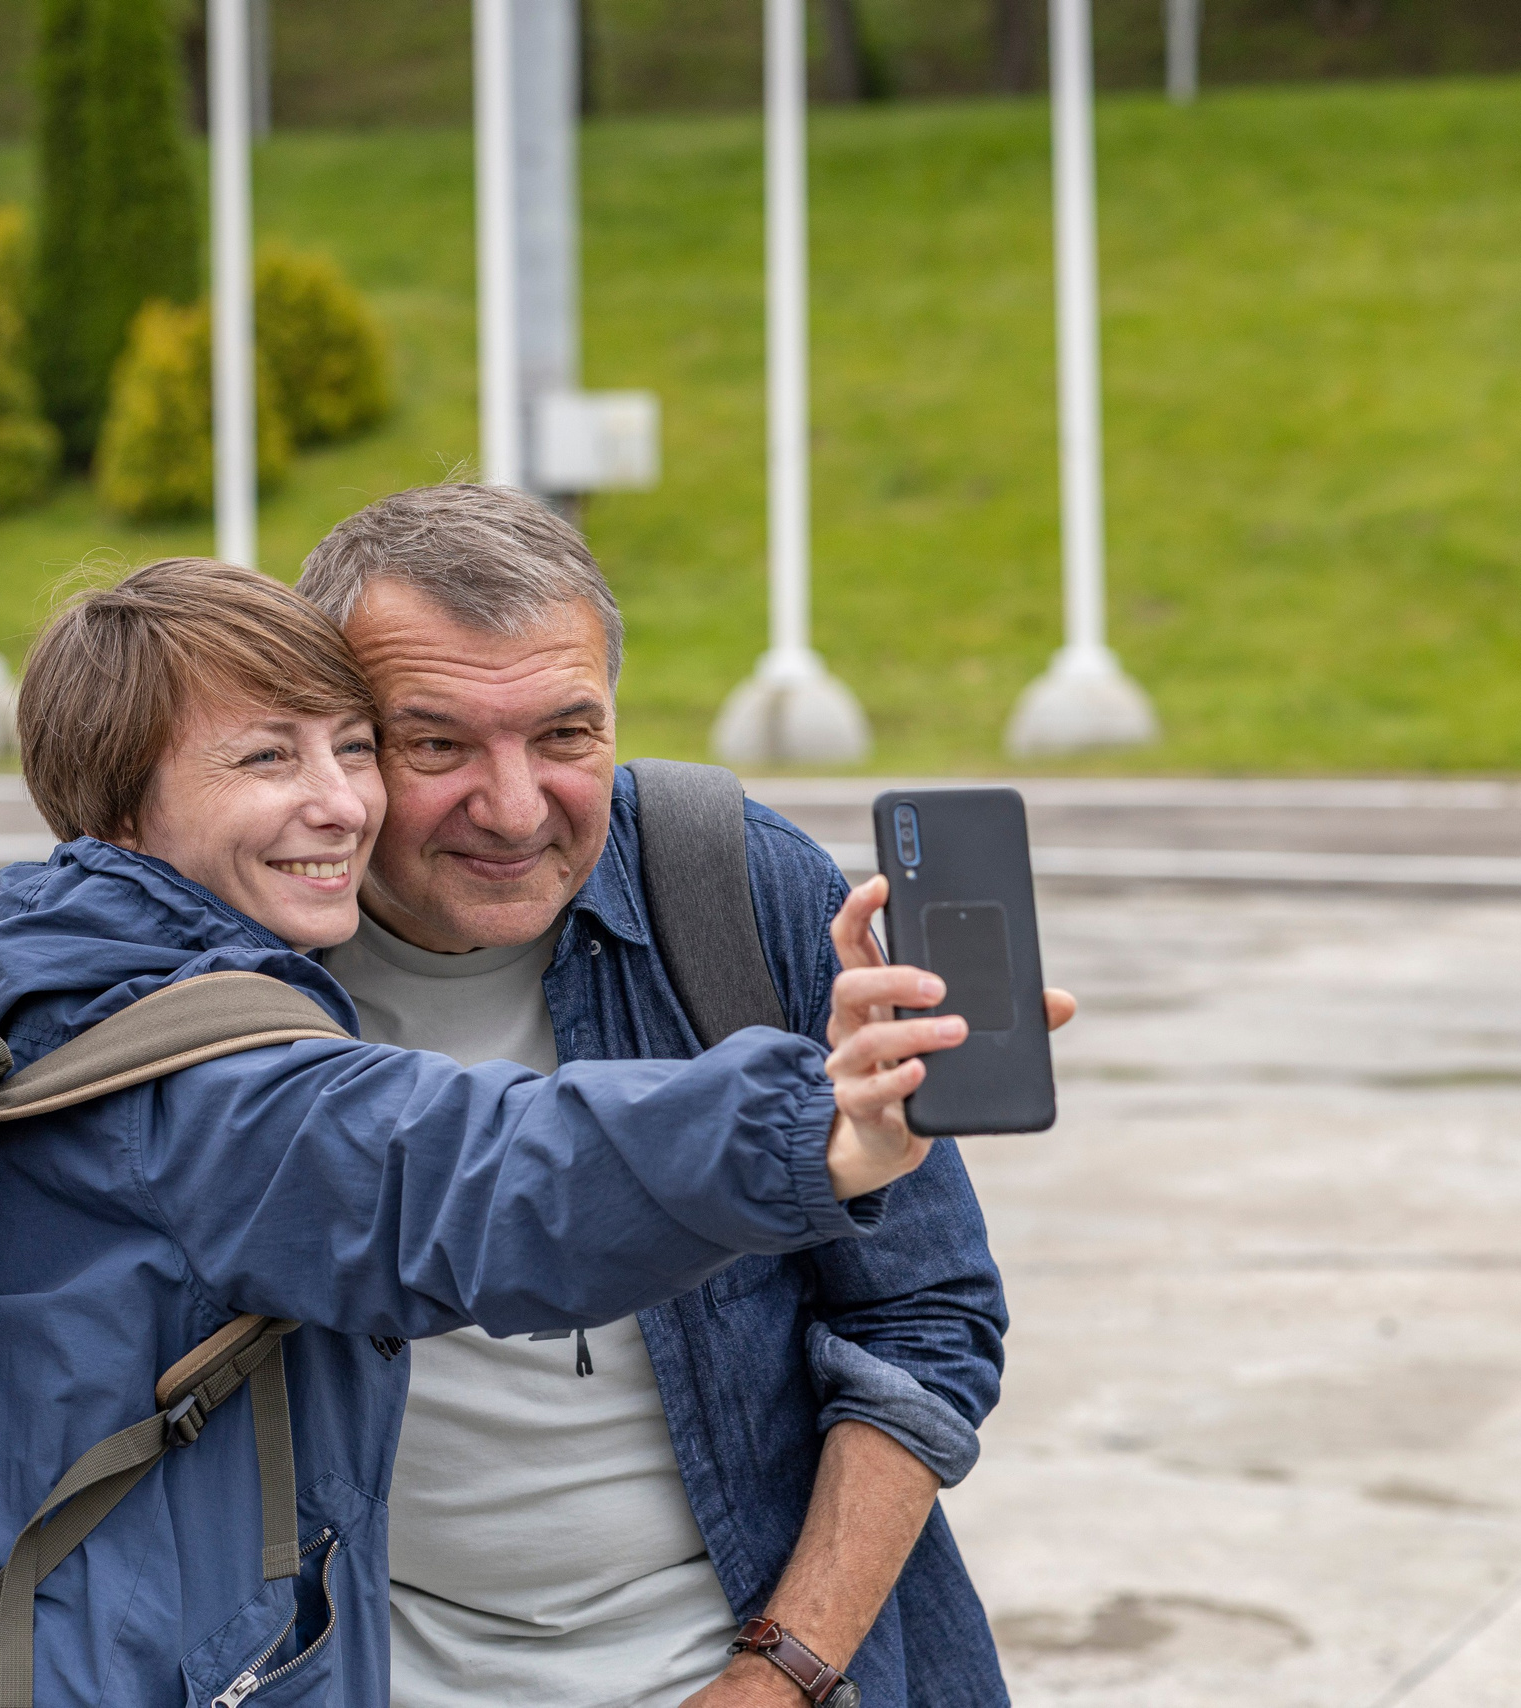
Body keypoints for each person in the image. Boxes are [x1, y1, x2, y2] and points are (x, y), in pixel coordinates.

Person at [0, 558, 981, 1707]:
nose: (343, 801)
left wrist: (783, 1668)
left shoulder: (50, 957)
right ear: (117, 808)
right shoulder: (174, 1038)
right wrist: (815, 1131)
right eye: (268, 756)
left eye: (349, 746)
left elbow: (927, 1316)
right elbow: (458, 1179)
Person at [296, 484, 1071, 1708]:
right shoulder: (236, 953)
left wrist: (782, 1674)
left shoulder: (727, 883)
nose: (511, 808)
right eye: (436, 743)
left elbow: (924, 1320)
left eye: (565, 735)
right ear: (333, 744)